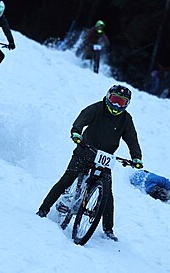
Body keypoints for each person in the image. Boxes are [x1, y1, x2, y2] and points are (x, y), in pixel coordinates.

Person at [37, 85, 144, 242]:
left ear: (127, 105)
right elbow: (82, 119)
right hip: (85, 151)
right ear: (108, 97)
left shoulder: (126, 119)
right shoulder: (97, 108)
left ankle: (108, 229)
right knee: (67, 178)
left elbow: (132, 138)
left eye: (121, 103)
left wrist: (136, 157)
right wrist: (76, 132)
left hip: (106, 158)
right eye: (114, 100)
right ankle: (43, 210)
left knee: (108, 194)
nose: (116, 106)